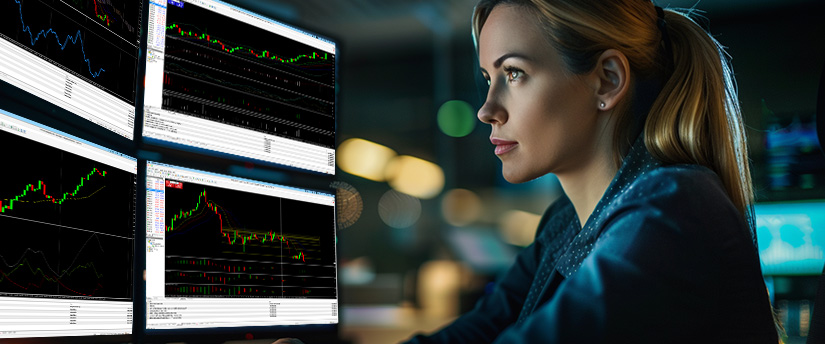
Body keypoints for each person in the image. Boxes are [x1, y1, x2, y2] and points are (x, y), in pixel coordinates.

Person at [402, 0, 779, 342]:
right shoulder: (564, 226)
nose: (487, 110)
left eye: (514, 73)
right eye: (489, 79)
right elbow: (486, 326)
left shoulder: (674, 210)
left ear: (607, 80)